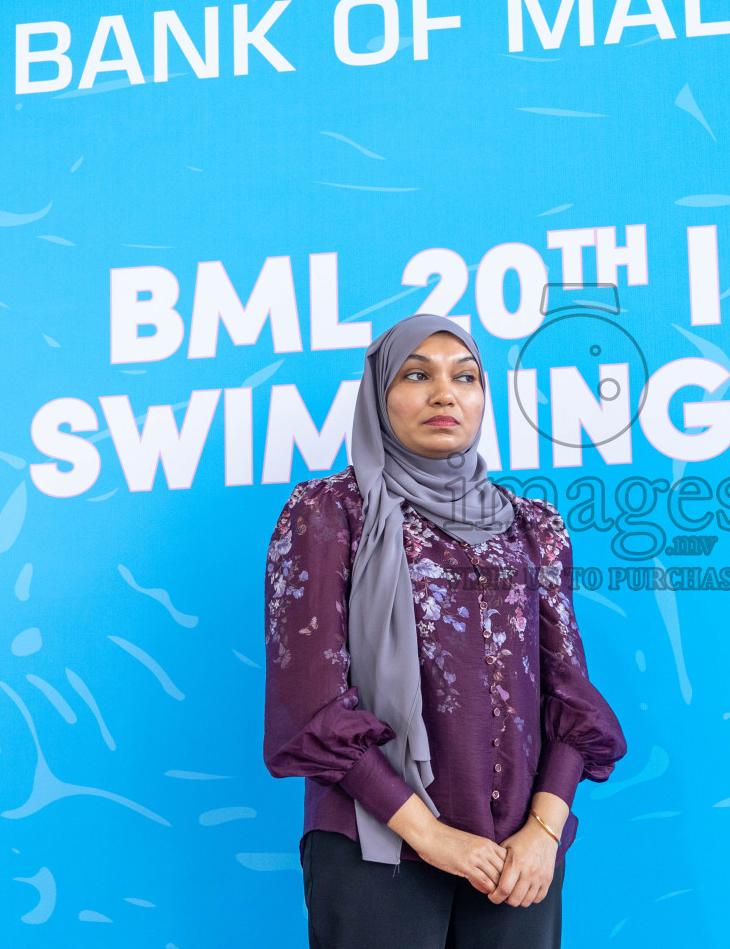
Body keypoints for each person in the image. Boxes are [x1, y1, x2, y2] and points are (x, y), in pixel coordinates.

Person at [263, 313, 627, 949]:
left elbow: (570, 695)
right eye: (416, 374)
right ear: (378, 395)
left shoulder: (532, 526)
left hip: (515, 856)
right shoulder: (329, 513)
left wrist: (543, 834)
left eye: (464, 377)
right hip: (376, 845)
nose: (443, 394)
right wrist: (431, 836)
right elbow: (310, 702)